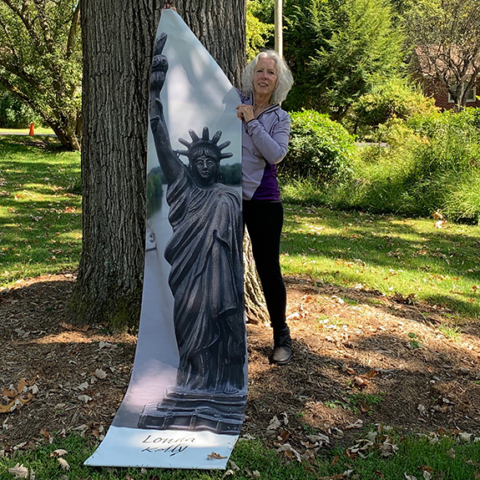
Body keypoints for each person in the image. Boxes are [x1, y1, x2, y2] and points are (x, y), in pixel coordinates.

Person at [149, 33, 246, 393]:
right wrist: (155, 95)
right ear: (191, 165)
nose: (204, 163)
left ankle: (219, 380)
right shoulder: (184, 187)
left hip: (220, 278)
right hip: (189, 275)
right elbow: (161, 142)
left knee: (220, 324)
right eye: (198, 160)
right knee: (188, 316)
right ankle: (192, 379)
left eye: (211, 160)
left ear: (218, 165)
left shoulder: (226, 196)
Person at [236, 51, 294, 365]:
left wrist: (252, 121)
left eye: (270, 72)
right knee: (223, 264)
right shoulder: (234, 102)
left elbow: (275, 154)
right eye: (259, 70)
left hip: (265, 202)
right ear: (251, 75)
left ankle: (281, 336)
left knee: (267, 269)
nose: (264, 76)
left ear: (277, 80)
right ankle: (224, 334)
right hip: (229, 198)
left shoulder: (280, 117)